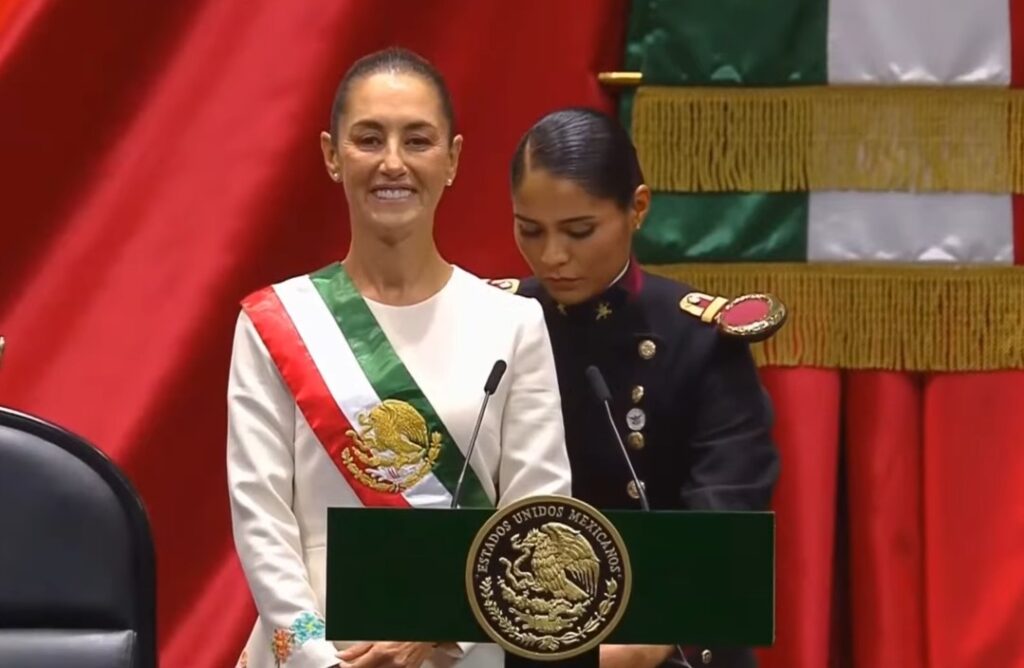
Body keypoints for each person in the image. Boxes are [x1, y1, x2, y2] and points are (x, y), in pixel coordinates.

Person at [227, 48, 572, 668]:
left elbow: (534, 517)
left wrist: (440, 631)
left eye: (417, 140)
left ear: (453, 160)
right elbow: (262, 520)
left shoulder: (514, 324)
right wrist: (320, 658)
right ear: (333, 156)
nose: (393, 162)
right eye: (368, 138)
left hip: (461, 654)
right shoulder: (274, 322)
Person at [492, 107, 782, 668]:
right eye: (530, 230)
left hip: (666, 640)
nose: (553, 256)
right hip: (519, 635)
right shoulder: (493, 321)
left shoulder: (697, 338)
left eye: (579, 231)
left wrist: (646, 639)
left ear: (638, 209)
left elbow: (725, 516)